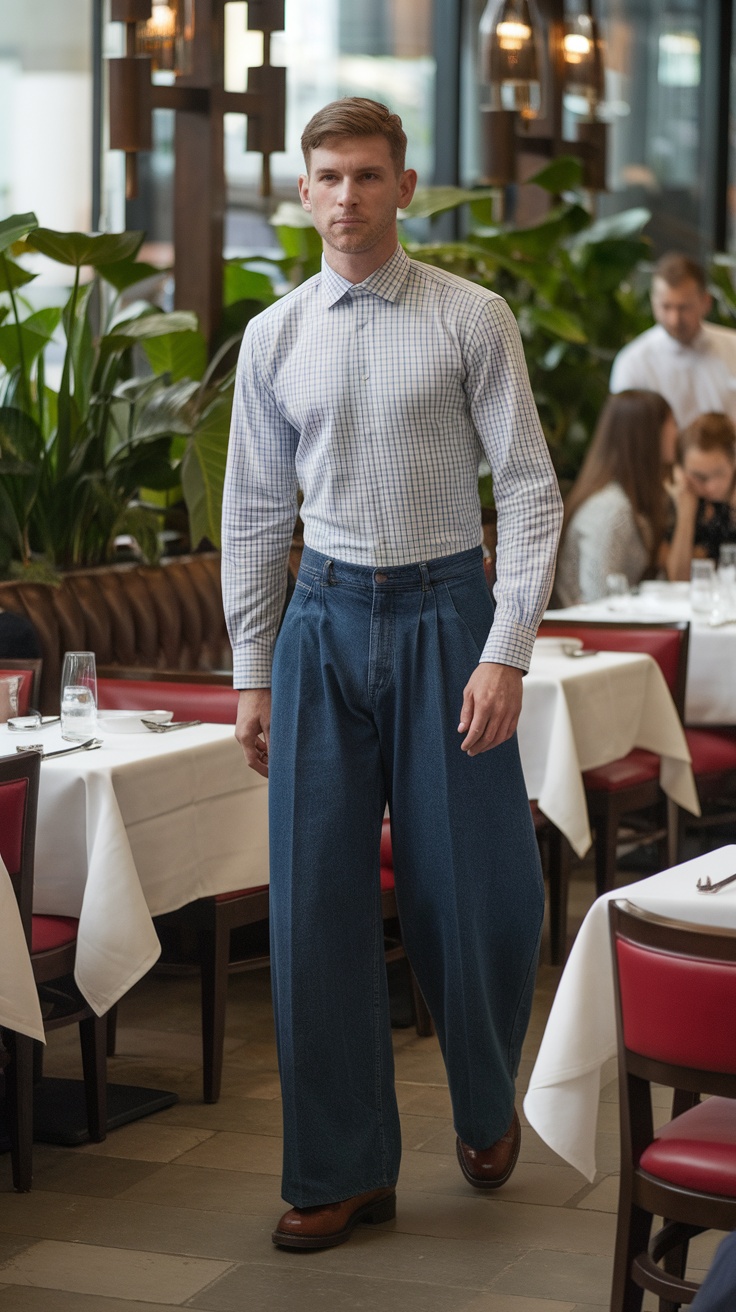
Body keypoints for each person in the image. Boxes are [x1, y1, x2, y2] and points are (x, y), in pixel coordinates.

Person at [221, 97, 563, 1252]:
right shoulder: (274, 336)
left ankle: (482, 1099)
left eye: (369, 175)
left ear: (403, 187)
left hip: (445, 614)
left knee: (479, 893)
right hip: (320, 619)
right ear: (303, 190)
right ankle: (341, 1165)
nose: (348, 196)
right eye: (328, 176)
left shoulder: (472, 318)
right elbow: (256, 512)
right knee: (315, 901)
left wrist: (505, 645)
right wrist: (252, 669)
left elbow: (525, 486)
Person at [555, 390, 677, 606]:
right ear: (649, 434)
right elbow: (598, 599)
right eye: (672, 423)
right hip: (591, 632)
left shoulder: (628, 500)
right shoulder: (611, 508)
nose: (677, 432)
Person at [610, 252, 736, 429]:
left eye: (684, 307)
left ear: (706, 302)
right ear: (653, 303)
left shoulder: (733, 348)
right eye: (666, 306)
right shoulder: (633, 362)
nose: (674, 319)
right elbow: (627, 437)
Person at [666, 411, 736, 580]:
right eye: (699, 476)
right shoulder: (686, 498)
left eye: (718, 473)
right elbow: (678, 579)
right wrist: (686, 512)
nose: (711, 486)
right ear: (681, 471)